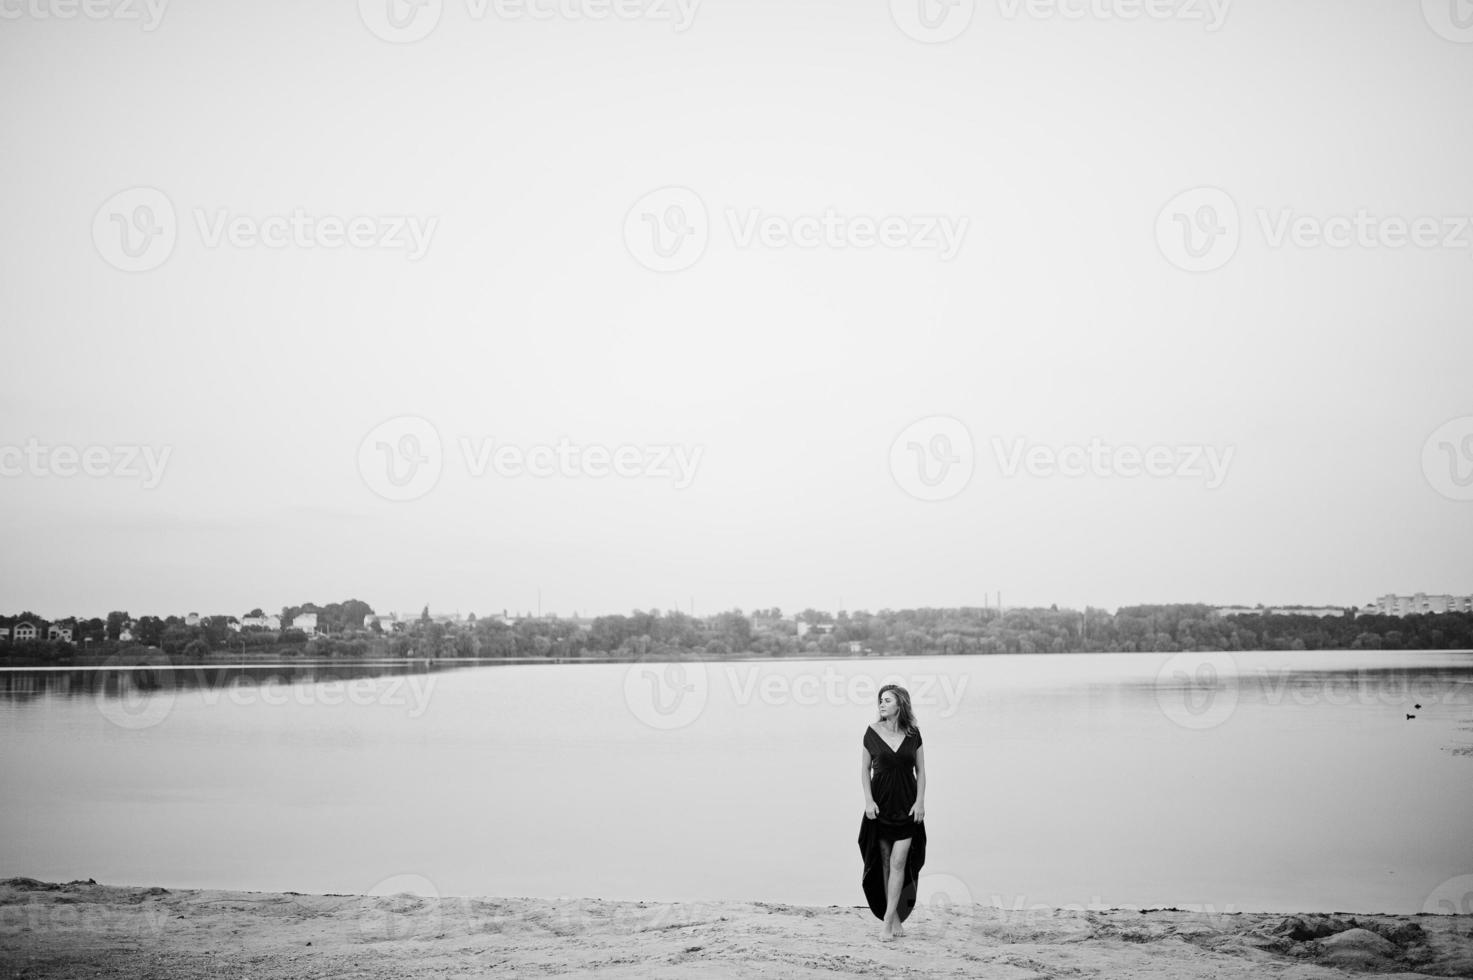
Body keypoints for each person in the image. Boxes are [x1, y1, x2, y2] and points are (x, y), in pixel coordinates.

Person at [857, 683, 927, 940]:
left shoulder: (913, 734)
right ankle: (893, 918)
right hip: (880, 807)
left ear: (900, 705)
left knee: (900, 863)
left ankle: (887, 921)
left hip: (907, 807)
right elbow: (864, 770)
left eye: (887, 700)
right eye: (880, 701)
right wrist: (868, 801)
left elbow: (921, 772)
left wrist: (920, 802)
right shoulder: (871, 732)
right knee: (885, 863)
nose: (882, 704)